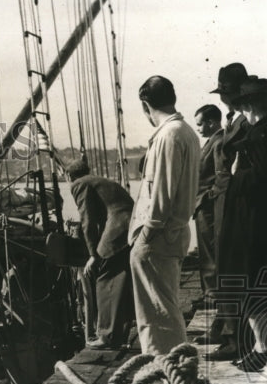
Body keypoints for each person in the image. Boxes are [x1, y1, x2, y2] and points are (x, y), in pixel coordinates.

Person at [128, 76, 200, 356]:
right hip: (173, 233)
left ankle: (163, 368)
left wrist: (147, 233)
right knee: (164, 307)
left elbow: (162, 193)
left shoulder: (169, 135)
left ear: (146, 104)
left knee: (156, 313)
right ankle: (172, 366)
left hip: (158, 235)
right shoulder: (187, 133)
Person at [221, 75, 267, 371]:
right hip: (252, 218)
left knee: (249, 281)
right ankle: (259, 344)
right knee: (253, 283)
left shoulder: (257, 136)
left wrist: (239, 172)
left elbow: (262, 177)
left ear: (250, 104)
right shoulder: (260, 133)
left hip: (249, 220)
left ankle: (261, 346)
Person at [204, 63, 250, 360]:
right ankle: (228, 330)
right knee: (223, 264)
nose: (225, 99)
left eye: (228, 93)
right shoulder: (234, 121)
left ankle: (235, 338)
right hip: (224, 201)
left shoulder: (244, 123)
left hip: (235, 200)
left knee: (231, 265)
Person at [66, 157, 135, 349]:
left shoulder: (78, 184)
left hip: (119, 226)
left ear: (68, 175)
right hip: (132, 223)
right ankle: (120, 332)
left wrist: (93, 255)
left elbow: (87, 221)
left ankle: (107, 335)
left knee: (105, 277)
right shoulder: (99, 180)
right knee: (122, 278)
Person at [191, 104, 224, 308]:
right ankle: (208, 294)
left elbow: (221, 176)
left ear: (211, 122)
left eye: (200, 124)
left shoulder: (218, 142)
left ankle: (212, 296)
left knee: (210, 252)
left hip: (207, 207)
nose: (199, 129)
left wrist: (207, 198)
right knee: (206, 252)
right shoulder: (211, 141)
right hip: (202, 206)